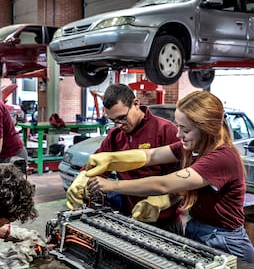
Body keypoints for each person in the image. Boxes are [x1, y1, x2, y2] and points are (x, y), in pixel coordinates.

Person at [85, 91, 254, 263]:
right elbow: (152, 155)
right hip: (196, 227)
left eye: (185, 129)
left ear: (206, 129)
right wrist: (110, 158)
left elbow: (164, 184)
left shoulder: (221, 157)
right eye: (178, 126)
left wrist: (112, 186)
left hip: (224, 240)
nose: (178, 134)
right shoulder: (193, 148)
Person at [67, 83, 182, 234]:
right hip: (131, 218)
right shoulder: (116, 136)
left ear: (136, 104)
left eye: (122, 118)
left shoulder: (165, 130)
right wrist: (82, 179)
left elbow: (183, 182)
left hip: (164, 222)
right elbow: (99, 163)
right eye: (113, 120)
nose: (119, 125)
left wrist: (162, 201)